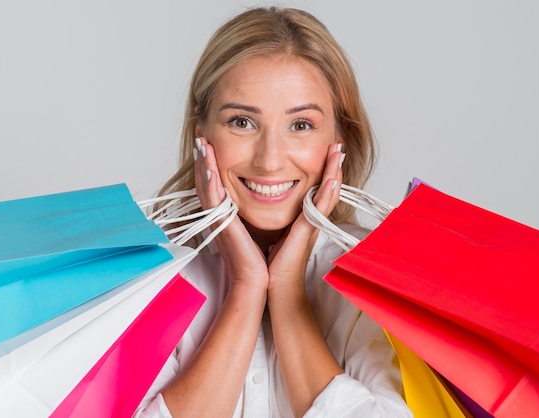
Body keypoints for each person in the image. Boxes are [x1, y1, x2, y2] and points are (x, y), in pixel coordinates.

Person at [135, 6, 412, 418]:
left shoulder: (382, 285)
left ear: (339, 139)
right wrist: (247, 287)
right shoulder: (143, 278)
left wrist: (286, 291)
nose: (269, 161)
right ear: (202, 135)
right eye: (242, 122)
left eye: (300, 125)